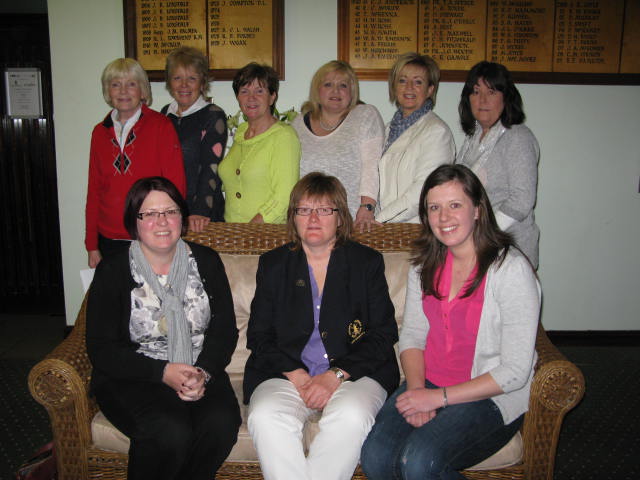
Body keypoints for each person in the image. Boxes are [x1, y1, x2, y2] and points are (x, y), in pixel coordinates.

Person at [361, 164, 540, 480]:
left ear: (478, 210)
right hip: (428, 382)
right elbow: (413, 334)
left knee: (418, 463)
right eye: (434, 207)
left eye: (455, 205)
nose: (443, 218)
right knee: (375, 457)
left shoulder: (510, 270)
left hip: (489, 396)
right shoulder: (423, 266)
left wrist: (438, 398)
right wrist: (418, 391)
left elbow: (514, 372)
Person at [244, 172, 400, 480]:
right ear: (294, 217)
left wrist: (335, 375)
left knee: (351, 415)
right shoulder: (273, 264)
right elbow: (259, 335)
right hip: (286, 375)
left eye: (324, 209)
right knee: (265, 417)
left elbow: (383, 334)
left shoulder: (366, 263)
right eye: (304, 209)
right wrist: (297, 374)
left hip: (354, 375)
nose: (313, 218)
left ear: (340, 218)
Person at [86, 177, 241, 480]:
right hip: (132, 376)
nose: (162, 222)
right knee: (169, 430)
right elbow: (102, 349)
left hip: (197, 368)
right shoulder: (113, 271)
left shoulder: (206, 262)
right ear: (135, 221)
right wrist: (162, 372)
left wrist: (203, 372)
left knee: (221, 424)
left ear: (182, 219)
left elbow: (224, 329)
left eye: (170, 212)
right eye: (149, 214)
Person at [85, 58, 186, 268]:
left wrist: (170, 233)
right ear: (107, 91)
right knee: (116, 300)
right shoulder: (99, 132)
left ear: (142, 90)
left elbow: (175, 187)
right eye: (115, 84)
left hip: (150, 235)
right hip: (109, 239)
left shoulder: (161, 126)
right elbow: (94, 189)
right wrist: (91, 244)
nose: (123, 91)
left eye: (131, 84)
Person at [456, 61, 540, 268]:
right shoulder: (472, 138)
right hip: (476, 247)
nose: (482, 100)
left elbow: (521, 200)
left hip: (509, 250)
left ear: (506, 97)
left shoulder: (517, 137)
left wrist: (481, 237)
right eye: (476, 92)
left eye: (491, 92)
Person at [292, 60, 384, 229]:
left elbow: (373, 166)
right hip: (309, 226)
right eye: (328, 84)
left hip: (355, 223)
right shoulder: (297, 124)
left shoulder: (365, 115)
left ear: (352, 91)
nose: (335, 91)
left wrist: (367, 207)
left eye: (343, 85)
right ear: (317, 90)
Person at [376, 52, 455, 224]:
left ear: (430, 90)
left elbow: (424, 190)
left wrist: (380, 220)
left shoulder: (436, 131)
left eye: (418, 82)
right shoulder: (388, 129)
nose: (409, 87)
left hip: (416, 232)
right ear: (394, 86)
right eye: (402, 80)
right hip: (385, 233)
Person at [219, 62, 300, 223]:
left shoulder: (284, 136)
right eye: (244, 91)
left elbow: (285, 196)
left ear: (272, 97)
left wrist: (250, 231)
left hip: (267, 237)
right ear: (238, 98)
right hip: (232, 236)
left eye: (259, 91)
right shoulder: (240, 133)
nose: (251, 98)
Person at [162, 46, 227, 232]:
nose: (184, 85)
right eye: (177, 78)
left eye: (192, 78)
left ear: (202, 82)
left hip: (201, 217)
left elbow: (211, 167)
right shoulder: (164, 115)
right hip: (168, 212)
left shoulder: (213, 116)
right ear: (169, 82)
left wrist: (200, 211)